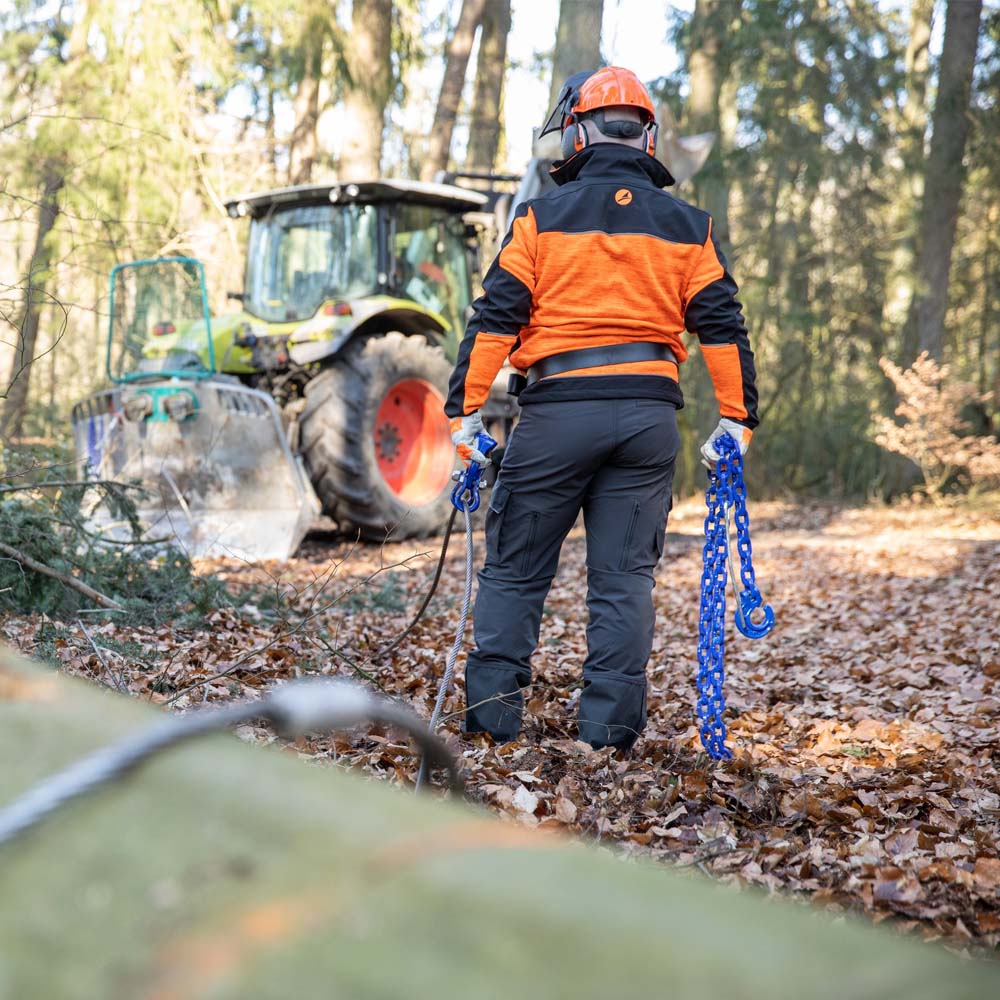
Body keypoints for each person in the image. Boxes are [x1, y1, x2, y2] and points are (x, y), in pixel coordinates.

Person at [444, 66, 759, 751]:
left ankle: (494, 724)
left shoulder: (538, 219)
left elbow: (495, 318)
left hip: (558, 413)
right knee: (623, 580)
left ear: (578, 132)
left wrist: (464, 417)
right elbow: (723, 326)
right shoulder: (689, 226)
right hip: (648, 422)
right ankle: (611, 733)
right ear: (647, 137)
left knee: (517, 570)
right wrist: (735, 420)